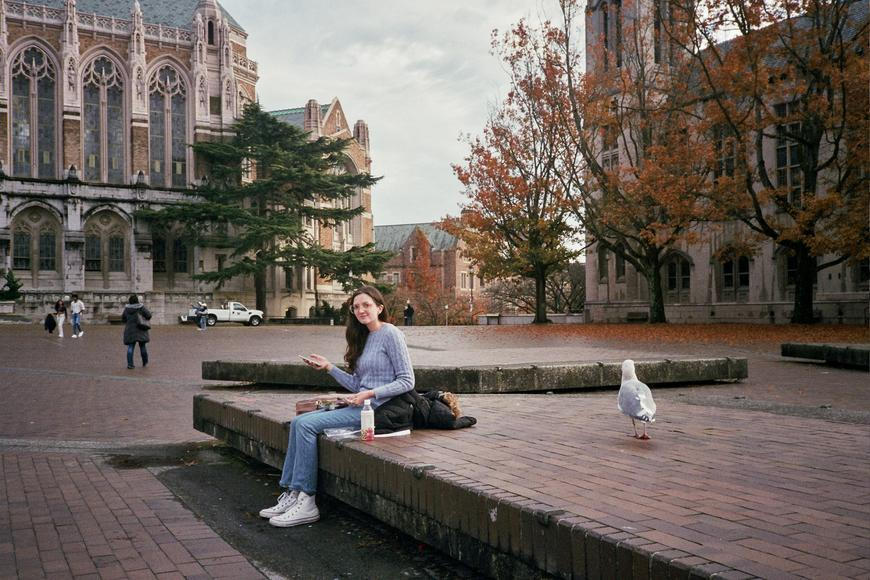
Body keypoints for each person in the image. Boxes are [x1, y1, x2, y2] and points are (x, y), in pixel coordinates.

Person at [259, 285, 414, 528]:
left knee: (306, 426)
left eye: (366, 305)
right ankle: (292, 493)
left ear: (379, 308)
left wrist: (369, 394)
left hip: (378, 411)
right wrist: (330, 368)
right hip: (360, 405)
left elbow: (407, 381)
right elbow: (356, 385)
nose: (361, 310)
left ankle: (307, 500)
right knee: (298, 422)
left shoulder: (391, 333)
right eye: (356, 307)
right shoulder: (362, 338)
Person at [121, 294, 152, 369]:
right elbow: (149, 315)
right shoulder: (141, 307)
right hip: (141, 329)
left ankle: (130, 364)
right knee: (142, 346)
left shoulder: (127, 309)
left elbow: (123, 319)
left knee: (131, 347)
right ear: (137, 300)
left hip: (130, 330)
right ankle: (145, 362)